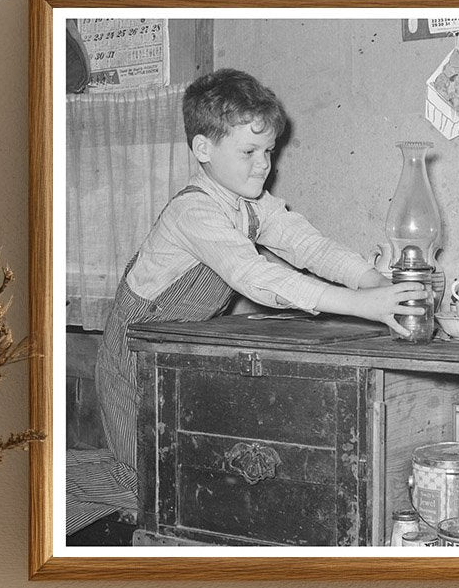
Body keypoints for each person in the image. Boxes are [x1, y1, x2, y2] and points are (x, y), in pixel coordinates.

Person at [66, 68, 422, 535]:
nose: (263, 165)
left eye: (268, 151)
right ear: (203, 149)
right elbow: (256, 277)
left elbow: (311, 248)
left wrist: (376, 283)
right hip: (130, 357)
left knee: (176, 474)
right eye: (249, 151)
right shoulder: (193, 210)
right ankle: (44, 480)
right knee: (148, 482)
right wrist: (363, 305)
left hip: (175, 353)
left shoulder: (254, 204)